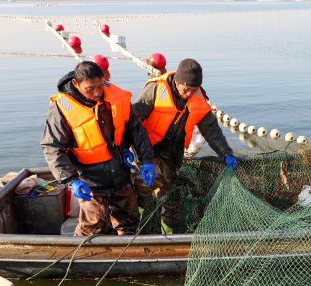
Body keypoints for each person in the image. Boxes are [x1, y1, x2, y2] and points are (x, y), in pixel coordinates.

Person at [41, 61, 155, 236]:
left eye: (101, 86)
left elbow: (135, 129)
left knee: (129, 223)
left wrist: (146, 159)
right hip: (90, 182)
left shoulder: (116, 97)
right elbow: (52, 147)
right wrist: (71, 180)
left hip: (121, 174)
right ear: (76, 84)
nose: (97, 93)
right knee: (92, 230)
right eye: (89, 88)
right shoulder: (61, 108)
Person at [133, 58, 237, 234]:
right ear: (177, 81)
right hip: (146, 146)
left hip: (172, 150)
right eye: (186, 89)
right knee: (144, 187)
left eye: (193, 90)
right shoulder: (156, 89)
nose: (189, 94)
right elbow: (133, 123)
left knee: (171, 195)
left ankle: (170, 238)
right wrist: (140, 156)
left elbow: (211, 129)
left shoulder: (198, 96)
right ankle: (139, 230)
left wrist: (226, 153)